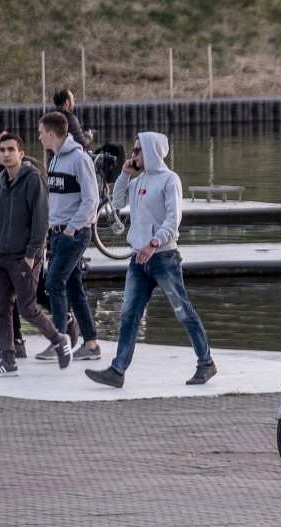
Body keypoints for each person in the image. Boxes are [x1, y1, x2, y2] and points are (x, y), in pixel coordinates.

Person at [85, 132, 217, 388]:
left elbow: (173, 218)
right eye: (133, 151)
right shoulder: (138, 181)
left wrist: (154, 242)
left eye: (138, 151)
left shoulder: (170, 180)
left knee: (183, 312)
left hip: (163, 257)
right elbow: (117, 203)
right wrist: (124, 174)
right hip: (138, 259)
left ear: (152, 151)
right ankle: (118, 370)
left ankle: (206, 363)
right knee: (129, 315)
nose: (133, 155)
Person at [0, 126, 79, 361]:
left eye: (9, 149)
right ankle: (9, 357)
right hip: (0, 255)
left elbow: (40, 219)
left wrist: (32, 253)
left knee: (28, 307)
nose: (3, 153)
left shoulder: (33, 178)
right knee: (2, 310)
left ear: (20, 153)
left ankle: (60, 339)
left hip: (24, 255)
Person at [36, 112, 101, 362]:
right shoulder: (54, 161)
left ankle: (60, 340)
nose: (40, 137)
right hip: (57, 232)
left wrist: (72, 228)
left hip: (73, 233)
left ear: (51, 134)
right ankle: (92, 344)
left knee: (54, 283)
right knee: (73, 288)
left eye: (42, 133)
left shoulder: (79, 160)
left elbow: (91, 200)